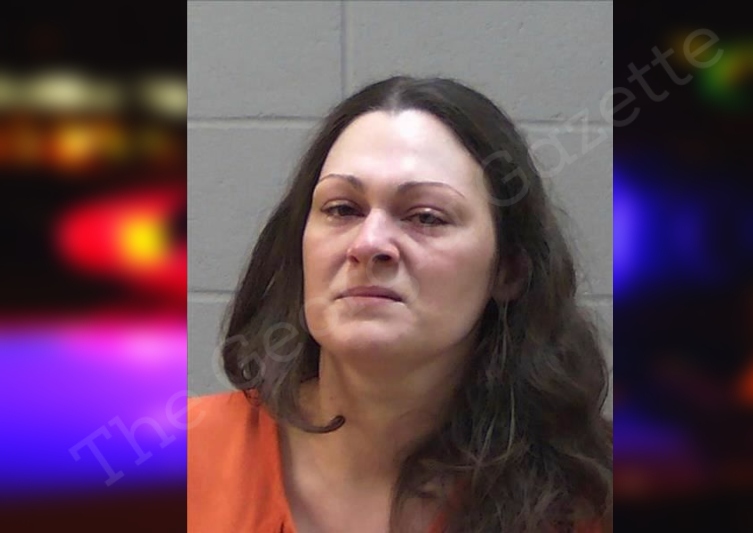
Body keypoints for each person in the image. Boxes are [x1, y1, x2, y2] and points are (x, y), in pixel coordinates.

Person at [187, 76, 612, 533]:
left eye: (426, 216)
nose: (368, 244)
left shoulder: (591, 496)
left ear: (508, 271)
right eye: (342, 209)